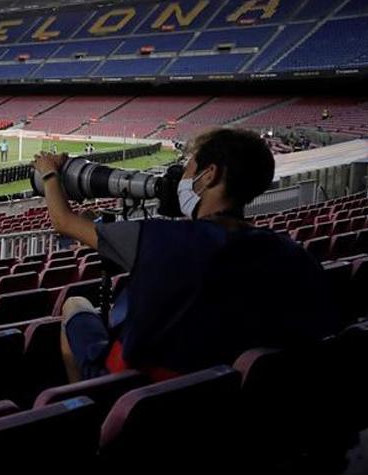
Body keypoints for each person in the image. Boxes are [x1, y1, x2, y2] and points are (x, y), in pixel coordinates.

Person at [32, 127, 335, 384]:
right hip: (228, 390)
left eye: (188, 170)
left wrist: (49, 173)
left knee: (76, 304)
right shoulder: (293, 253)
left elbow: (64, 221)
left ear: (209, 175)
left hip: (137, 392)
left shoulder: (157, 238)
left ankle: (89, 399)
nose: (181, 180)